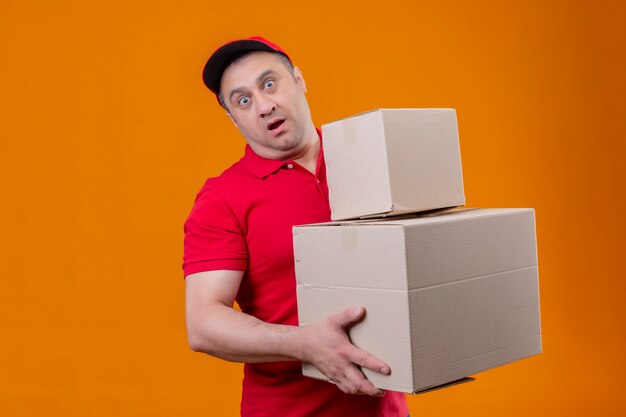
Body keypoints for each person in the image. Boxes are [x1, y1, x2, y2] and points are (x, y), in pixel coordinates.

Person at [183, 36, 409, 417]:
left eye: (269, 84)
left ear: (299, 79)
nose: (264, 105)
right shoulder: (222, 198)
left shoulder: (369, 161)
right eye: (243, 100)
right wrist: (305, 343)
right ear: (232, 117)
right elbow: (203, 324)